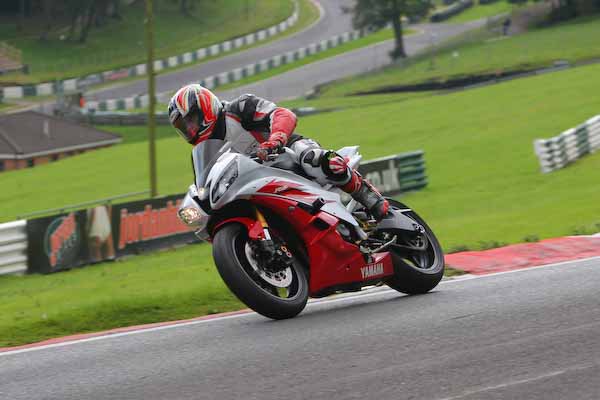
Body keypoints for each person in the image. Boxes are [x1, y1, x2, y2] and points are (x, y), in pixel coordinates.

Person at [167, 84, 389, 221]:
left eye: (191, 121)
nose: (190, 130)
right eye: (184, 128)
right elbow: (207, 183)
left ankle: (367, 195)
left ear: (204, 107)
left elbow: (283, 114)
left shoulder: (239, 108)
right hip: (254, 182)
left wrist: (275, 140)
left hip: (286, 152)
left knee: (317, 160)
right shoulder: (202, 151)